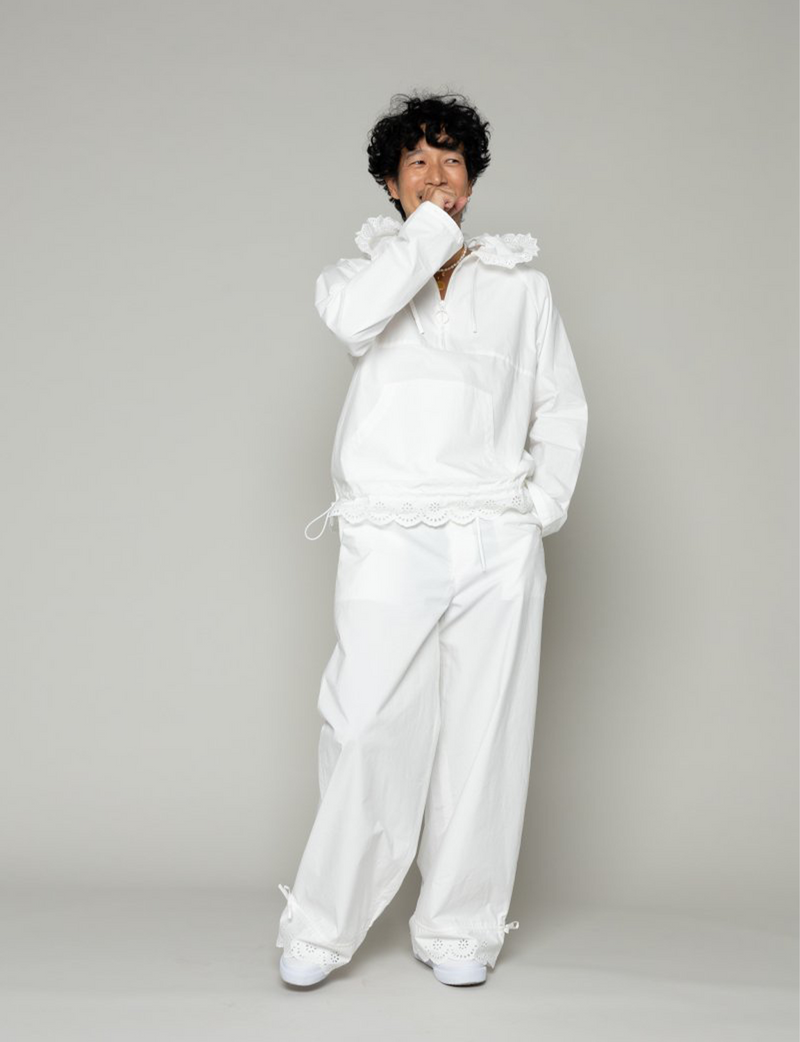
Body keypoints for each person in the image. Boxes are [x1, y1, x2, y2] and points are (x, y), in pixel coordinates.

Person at [276, 91, 588, 988]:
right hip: (391, 529)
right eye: (418, 160)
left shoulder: (523, 287)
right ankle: (323, 924)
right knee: (365, 721)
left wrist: (537, 509)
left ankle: (459, 928)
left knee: (486, 734)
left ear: (473, 179)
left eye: (452, 160)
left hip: (495, 534)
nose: (438, 173)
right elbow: (353, 320)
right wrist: (427, 236)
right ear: (391, 182)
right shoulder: (358, 276)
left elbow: (560, 405)